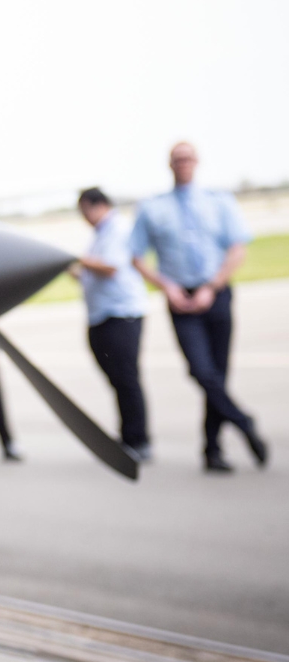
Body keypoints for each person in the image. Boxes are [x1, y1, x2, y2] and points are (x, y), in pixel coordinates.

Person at [130, 142, 267, 473]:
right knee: (201, 371)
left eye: (188, 158)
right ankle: (243, 421)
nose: (183, 164)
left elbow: (237, 248)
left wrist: (213, 285)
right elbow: (136, 255)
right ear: (169, 165)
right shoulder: (153, 208)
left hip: (214, 293)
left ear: (197, 162)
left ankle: (212, 449)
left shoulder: (218, 202)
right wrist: (167, 286)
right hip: (180, 296)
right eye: (178, 159)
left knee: (218, 373)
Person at [74, 187, 150, 462]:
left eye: (84, 211)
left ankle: (139, 440)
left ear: (97, 206)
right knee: (119, 378)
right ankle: (129, 434)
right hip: (103, 314)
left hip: (121, 313)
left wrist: (77, 259)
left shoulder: (117, 229)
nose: (84, 218)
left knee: (126, 378)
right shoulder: (100, 234)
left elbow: (110, 267)